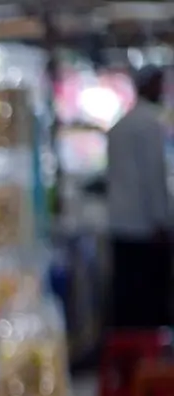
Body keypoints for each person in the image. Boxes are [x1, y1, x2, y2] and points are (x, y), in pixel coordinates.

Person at [107, 65, 172, 328]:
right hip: (144, 228)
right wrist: (161, 221)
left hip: (121, 224)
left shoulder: (122, 125)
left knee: (127, 299)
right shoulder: (149, 125)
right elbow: (153, 178)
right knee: (148, 303)